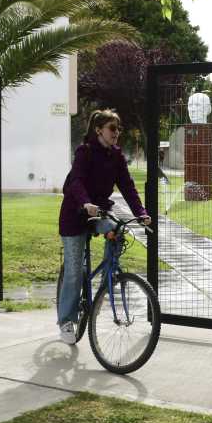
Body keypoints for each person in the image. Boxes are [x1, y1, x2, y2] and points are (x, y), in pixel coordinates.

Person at [57, 109, 151, 344]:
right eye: (112, 128)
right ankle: (66, 320)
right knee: (74, 272)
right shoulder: (85, 152)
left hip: (98, 211)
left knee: (118, 233)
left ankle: (102, 288)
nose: (116, 133)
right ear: (99, 130)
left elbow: (127, 186)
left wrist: (140, 212)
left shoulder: (116, 156)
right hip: (75, 212)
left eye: (118, 129)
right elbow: (76, 181)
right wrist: (85, 202)